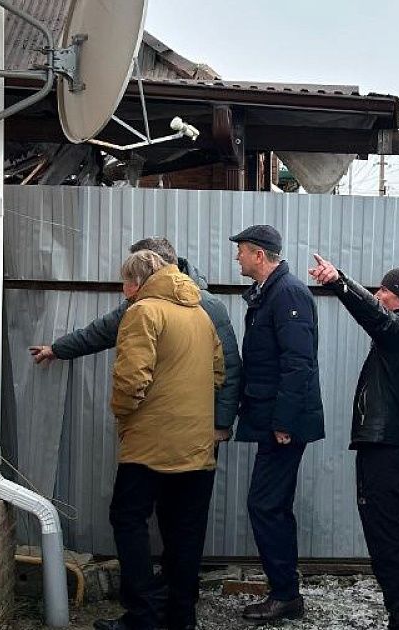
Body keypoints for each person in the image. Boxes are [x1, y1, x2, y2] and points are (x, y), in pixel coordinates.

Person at [96, 250, 225, 630]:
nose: (123, 289)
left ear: (137, 282)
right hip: (197, 446)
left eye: (125, 281)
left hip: (149, 444)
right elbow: (218, 374)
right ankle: (180, 617)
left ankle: (143, 617)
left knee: (127, 518)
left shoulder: (143, 311)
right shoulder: (200, 314)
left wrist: (124, 417)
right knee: (185, 532)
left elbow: (131, 379)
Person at [308, 254, 399, 630]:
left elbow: (375, 317)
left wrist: (339, 281)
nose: (378, 294)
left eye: (385, 289)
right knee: (396, 540)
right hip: (389, 450)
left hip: (385, 453)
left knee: (387, 544)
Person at [29, 237, 242, 440]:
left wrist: (221, 424)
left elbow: (228, 367)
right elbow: (102, 331)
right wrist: (58, 349)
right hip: (157, 422)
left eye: (137, 267)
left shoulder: (207, 306)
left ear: (153, 266)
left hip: (195, 426)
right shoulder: (139, 303)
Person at [229, 225, 325, 622]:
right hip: (273, 418)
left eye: (241, 251)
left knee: (265, 505)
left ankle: (285, 594)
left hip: (283, 423)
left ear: (259, 254)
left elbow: (298, 363)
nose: (237, 257)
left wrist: (283, 421)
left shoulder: (287, 293)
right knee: (273, 505)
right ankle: (285, 592)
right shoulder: (271, 292)